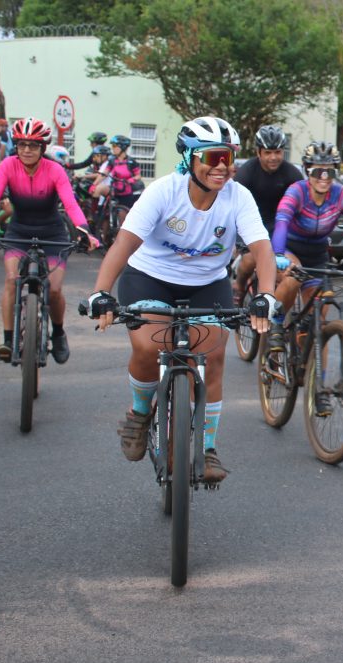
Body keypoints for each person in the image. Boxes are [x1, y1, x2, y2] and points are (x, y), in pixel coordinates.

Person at [85, 116, 278, 484]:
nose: (222, 167)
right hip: (150, 279)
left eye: (228, 157)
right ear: (190, 157)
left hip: (207, 284)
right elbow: (123, 244)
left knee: (213, 356)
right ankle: (140, 413)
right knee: (148, 347)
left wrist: (266, 296)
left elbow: (262, 250)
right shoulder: (163, 192)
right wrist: (101, 292)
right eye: (213, 157)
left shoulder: (238, 196)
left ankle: (207, 448)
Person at [0, 117, 98, 363]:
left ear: (42, 147)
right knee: (11, 280)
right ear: (16, 146)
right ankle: (8, 340)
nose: (27, 149)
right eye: (22, 144)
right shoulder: (8, 165)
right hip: (18, 232)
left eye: (33, 145)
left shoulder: (54, 170)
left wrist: (84, 231)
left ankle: (58, 333)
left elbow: (70, 204)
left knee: (55, 289)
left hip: (52, 233)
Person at [267, 141, 343, 354]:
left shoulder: (342, 195)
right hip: (290, 249)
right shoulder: (297, 191)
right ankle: (275, 323)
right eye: (318, 171)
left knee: (319, 321)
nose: (323, 177)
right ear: (307, 170)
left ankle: (314, 372)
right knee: (292, 279)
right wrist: (278, 254)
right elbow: (281, 223)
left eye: (330, 171)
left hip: (318, 254)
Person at [232, 124, 303, 302]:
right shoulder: (246, 173)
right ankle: (239, 285)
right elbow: (233, 208)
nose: (273, 157)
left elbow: (302, 207)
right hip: (249, 225)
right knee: (250, 260)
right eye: (268, 152)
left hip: (279, 227)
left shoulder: (292, 174)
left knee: (290, 269)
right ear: (258, 152)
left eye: (278, 152)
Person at [92, 134, 141, 210]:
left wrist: (130, 180)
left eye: (114, 146)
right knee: (97, 189)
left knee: (122, 215)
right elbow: (104, 174)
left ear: (122, 147)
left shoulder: (131, 162)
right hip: (114, 190)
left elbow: (138, 176)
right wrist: (94, 184)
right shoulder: (112, 160)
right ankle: (96, 211)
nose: (112, 148)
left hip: (127, 192)